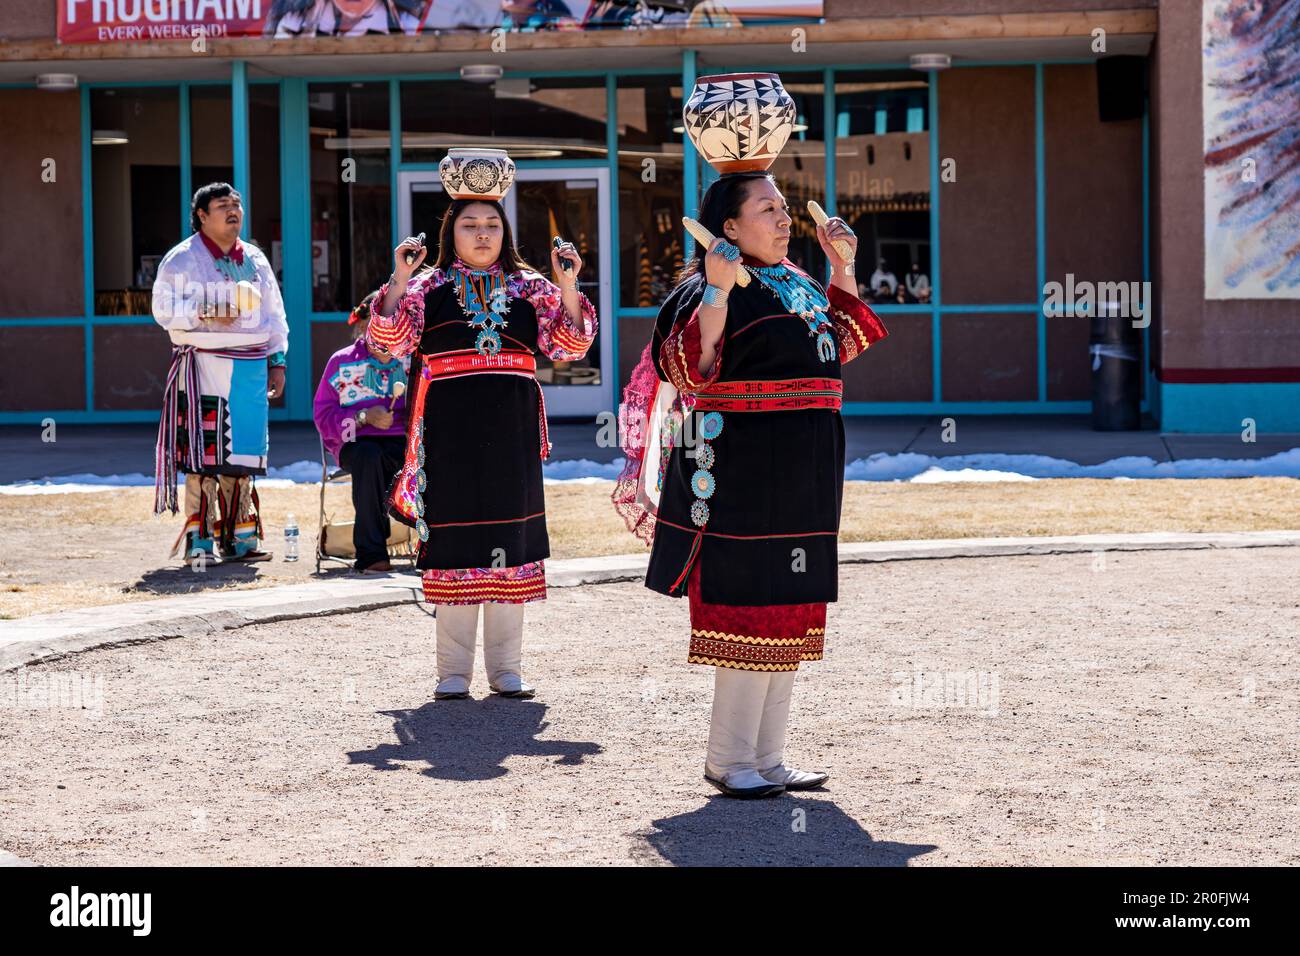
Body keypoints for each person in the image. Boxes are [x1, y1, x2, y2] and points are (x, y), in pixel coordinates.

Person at [614, 155, 888, 800]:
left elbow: (840, 345)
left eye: (783, 207)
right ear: (729, 227)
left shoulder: (795, 282)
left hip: (806, 466)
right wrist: (715, 288)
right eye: (767, 208)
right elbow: (692, 370)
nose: (784, 217)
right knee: (747, 604)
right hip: (741, 465)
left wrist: (841, 265)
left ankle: (768, 757)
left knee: (790, 606)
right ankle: (727, 758)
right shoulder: (711, 287)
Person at [367, 148, 598, 701]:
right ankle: (452, 673)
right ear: (452, 231)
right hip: (448, 430)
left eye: (492, 224)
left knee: (510, 539)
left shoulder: (532, 286)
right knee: (453, 542)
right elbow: (387, 341)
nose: (482, 233)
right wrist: (399, 278)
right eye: (470, 225)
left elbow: (570, 346)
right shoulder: (427, 287)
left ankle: (506, 670)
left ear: (505, 230)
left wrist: (568, 284)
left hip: (512, 429)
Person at [152, 182, 288, 565]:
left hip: (250, 367)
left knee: (243, 453)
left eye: (237, 205)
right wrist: (207, 309)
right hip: (203, 365)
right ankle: (200, 541)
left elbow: (274, 315)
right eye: (223, 205)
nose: (233, 211)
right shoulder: (182, 259)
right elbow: (163, 311)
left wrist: (277, 361)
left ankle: (240, 537)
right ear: (201, 215)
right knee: (203, 455)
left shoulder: (257, 260)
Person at [313, 292, 410, 573]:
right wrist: (363, 417)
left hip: (400, 442)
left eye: (391, 326)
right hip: (356, 443)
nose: (383, 334)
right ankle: (371, 554)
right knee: (369, 457)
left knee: (434, 455)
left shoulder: (410, 362)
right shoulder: (341, 362)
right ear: (363, 326)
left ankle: (437, 546)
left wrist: (406, 418)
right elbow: (324, 417)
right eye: (376, 325)